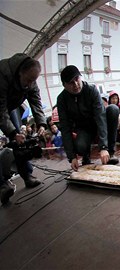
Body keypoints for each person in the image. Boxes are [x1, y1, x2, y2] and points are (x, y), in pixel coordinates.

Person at [0, 53, 47, 203]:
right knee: (15, 135)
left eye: (33, 81)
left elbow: (36, 101)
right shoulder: (2, 74)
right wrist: (12, 133)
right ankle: (2, 185)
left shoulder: (30, 78)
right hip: (1, 106)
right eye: (27, 80)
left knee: (20, 141)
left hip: (11, 106)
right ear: (20, 72)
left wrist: (41, 123)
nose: (29, 84)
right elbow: (0, 111)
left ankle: (27, 175)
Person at [57, 65, 119, 171]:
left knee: (113, 109)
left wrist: (103, 147)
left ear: (80, 77)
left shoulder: (92, 90)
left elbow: (101, 117)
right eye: (71, 83)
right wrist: (72, 157)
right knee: (80, 145)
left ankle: (111, 152)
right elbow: (65, 128)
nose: (76, 84)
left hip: (98, 122)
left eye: (77, 79)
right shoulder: (62, 99)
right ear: (64, 85)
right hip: (83, 128)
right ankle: (86, 156)